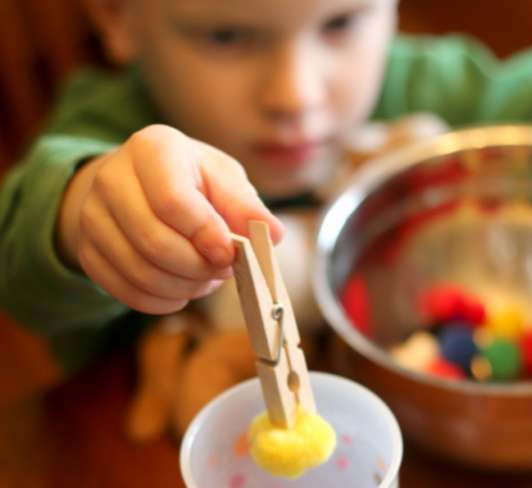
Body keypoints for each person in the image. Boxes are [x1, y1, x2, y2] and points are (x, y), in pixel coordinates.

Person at [2, 0, 532, 373]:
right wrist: (87, 210)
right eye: (227, 36)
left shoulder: (426, 85)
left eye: (341, 21)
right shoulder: (107, 124)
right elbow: (18, 258)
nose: (295, 95)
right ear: (117, 13)